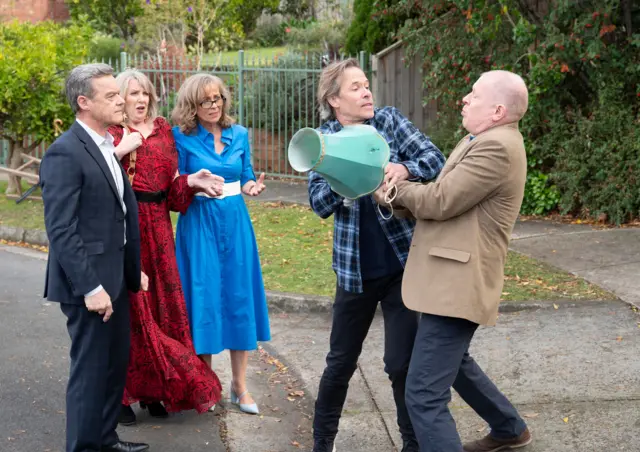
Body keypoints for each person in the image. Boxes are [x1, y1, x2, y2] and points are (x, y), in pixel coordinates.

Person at [373, 70, 532, 452]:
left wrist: (393, 191)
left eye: (473, 95)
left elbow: (442, 200)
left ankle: (508, 429)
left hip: (457, 283)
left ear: (496, 110)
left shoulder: (497, 148)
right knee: (454, 363)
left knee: (424, 396)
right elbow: (446, 201)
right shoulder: (481, 139)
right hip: (446, 279)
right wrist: (402, 196)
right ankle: (509, 429)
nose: (464, 98)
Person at [308, 58, 446, 452]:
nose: (367, 92)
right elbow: (318, 204)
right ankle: (322, 444)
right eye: (355, 87)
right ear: (334, 99)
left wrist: (404, 168)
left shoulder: (389, 121)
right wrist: (345, 178)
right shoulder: (322, 140)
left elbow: (435, 160)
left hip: (403, 267)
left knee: (401, 366)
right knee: (339, 365)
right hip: (354, 273)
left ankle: (412, 444)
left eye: (366, 85)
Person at [39, 63, 148, 452]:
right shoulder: (65, 152)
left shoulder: (105, 145)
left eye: (120, 94)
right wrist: (91, 287)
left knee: (113, 367)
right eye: (112, 96)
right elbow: (63, 230)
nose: (122, 101)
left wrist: (130, 267)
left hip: (114, 277)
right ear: (84, 102)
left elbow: (112, 214)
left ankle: (105, 440)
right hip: (90, 286)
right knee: (89, 372)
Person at [107, 69, 224, 425]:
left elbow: (171, 194)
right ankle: (123, 394)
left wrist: (192, 181)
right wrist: (118, 153)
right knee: (133, 312)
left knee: (163, 310)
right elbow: (97, 183)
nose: (140, 99)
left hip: (159, 228)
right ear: (120, 99)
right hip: (127, 229)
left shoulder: (162, 132)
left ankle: (157, 388)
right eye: (132, 93)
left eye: (144, 93)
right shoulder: (111, 134)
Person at [171, 73, 271, 415]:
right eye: (205, 102)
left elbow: (245, 174)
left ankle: (239, 386)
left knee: (238, 297)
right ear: (191, 106)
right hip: (199, 223)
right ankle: (206, 382)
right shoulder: (180, 139)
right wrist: (194, 184)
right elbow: (175, 183)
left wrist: (250, 186)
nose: (213, 106)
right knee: (205, 298)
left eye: (217, 100)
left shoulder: (239, 133)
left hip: (235, 223)